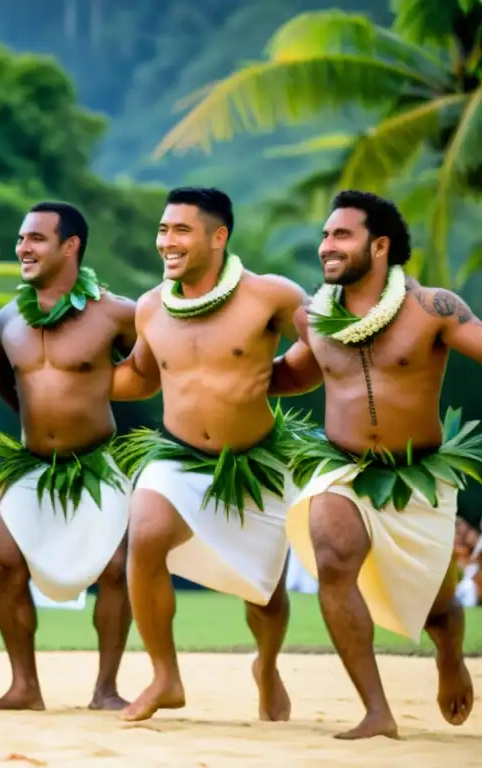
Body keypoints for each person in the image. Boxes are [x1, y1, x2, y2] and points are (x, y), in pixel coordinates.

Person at [271, 190, 479, 739]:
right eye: (324, 235)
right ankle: (376, 709)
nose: (326, 246)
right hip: (343, 468)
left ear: (380, 245)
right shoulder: (315, 317)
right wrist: (228, 370)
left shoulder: (434, 308)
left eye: (342, 235)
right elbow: (293, 375)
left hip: (420, 476)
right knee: (332, 551)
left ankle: (450, 657)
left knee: (439, 609)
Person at [110, 187, 311, 723]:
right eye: (162, 230)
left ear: (218, 237)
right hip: (176, 456)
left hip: (255, 459)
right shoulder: (152, 306)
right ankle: (164, 677)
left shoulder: (272, 295)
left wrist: (279, 380)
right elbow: (141, 376)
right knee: (145, 534)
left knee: (263, 594)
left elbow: (325, 345)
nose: (166, 242)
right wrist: (75, 379)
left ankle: (266, 667)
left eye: (180, 230)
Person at [0, 201, 136, 711]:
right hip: (31, 463)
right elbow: (5, 381)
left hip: (95, 458)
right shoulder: (8, 319)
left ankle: (106, 689)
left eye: (36, 239)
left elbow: (157, 366)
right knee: (4, 560)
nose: (23, 248)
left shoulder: (116, 313)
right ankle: (24, 686)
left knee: (115, 567)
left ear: (70, 246)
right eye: (21, 238)